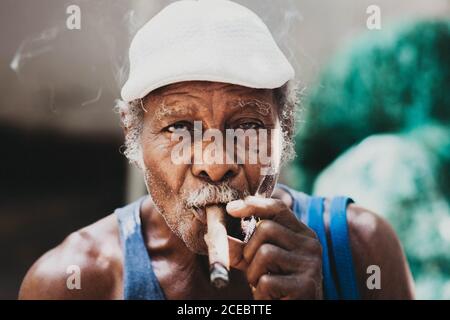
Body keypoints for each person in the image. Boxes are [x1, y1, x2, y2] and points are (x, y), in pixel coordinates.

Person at [19, 0, 414, 300]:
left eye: (247, 126)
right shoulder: (74, 280)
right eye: (178, 128)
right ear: (133, 136)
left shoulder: (362, 250)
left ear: (286, 130)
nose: (216, 164)